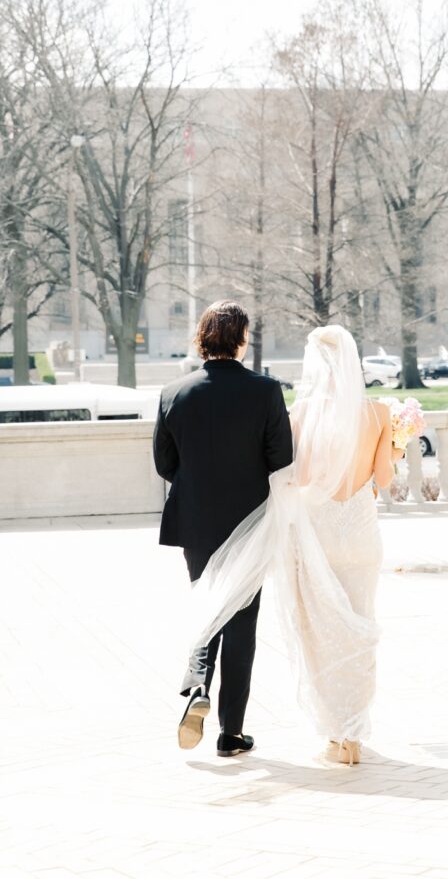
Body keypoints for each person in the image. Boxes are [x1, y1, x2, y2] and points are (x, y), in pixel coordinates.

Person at [183, 324, 403, 765]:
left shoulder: (299, 414)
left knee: (320, 633)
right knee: (360, 627)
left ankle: (335, 735)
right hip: (361, 533)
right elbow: (384, 479)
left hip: (316, 536)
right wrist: (395, 450)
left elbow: (292, 477)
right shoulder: (379, 413)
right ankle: (353, 736)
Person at [153, 301, 292, 757]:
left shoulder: (173, 392)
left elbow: (164, 464)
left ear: (202, 337)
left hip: (195, 520)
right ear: (241, 339)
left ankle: (197, 687)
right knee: (241, 622)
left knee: (207, 604)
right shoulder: (265, 391)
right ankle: (231, 732)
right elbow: (282, 458)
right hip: (249, 520)